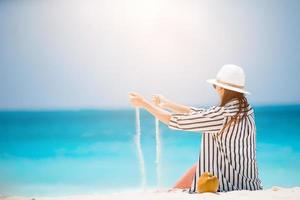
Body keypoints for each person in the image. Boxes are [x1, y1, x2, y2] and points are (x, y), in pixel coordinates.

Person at [128, 64, 263, 192]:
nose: (215, 89)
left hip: (229, 184)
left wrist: (144, 103)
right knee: (198, 168)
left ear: (221, 88)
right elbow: (202, 114)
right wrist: (167, 103)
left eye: (215, 86)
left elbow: (175, 121)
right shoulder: (246, 110)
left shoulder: (222, 115)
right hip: (250, 182)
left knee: (175, 189)